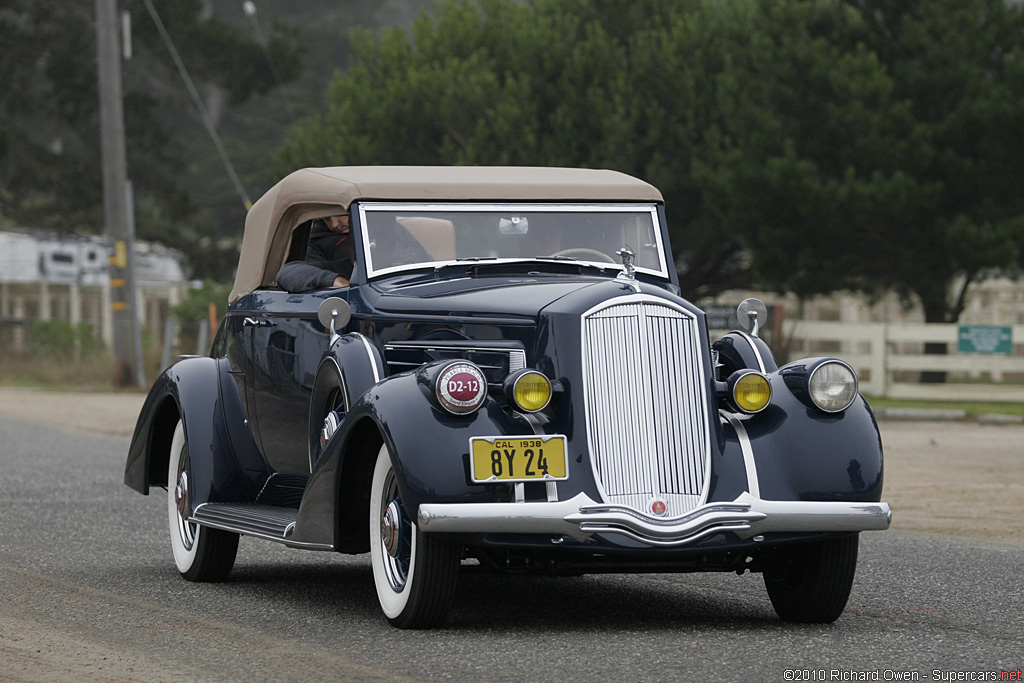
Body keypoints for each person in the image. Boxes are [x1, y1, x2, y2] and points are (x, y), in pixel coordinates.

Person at [276, 214, 354, 293]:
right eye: (327, 218)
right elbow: (289, 273)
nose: (334, 224)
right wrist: (335, 281)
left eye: (340, 214)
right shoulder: (317, 244)